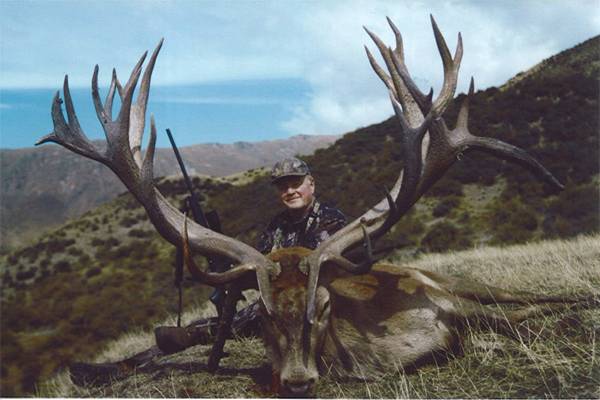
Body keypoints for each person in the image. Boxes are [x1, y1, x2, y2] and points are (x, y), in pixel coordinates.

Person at [257, 157, 347, 253]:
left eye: (296, 184)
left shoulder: (332, 219)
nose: (290, 191)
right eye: (283, 187)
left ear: (311, 185)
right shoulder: (275, 225)